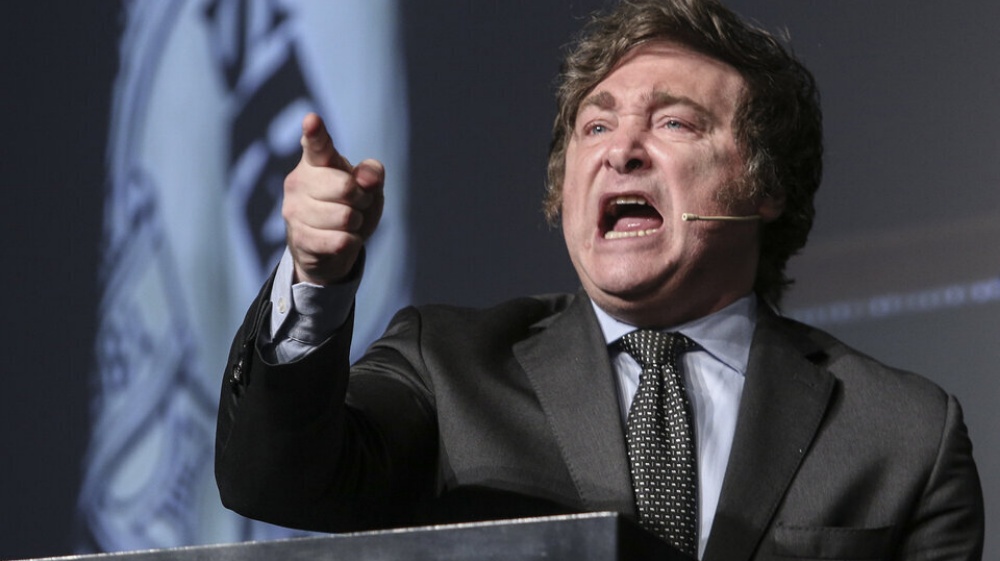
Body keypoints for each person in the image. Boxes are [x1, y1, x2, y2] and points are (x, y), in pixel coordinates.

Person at [215, 0, 984, 559]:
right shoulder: (447, 366)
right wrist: (316, 282)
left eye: (674, 122)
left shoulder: (904, 432)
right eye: (596, 124)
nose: (622, 150)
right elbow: (274, 480)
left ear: (766, 185)